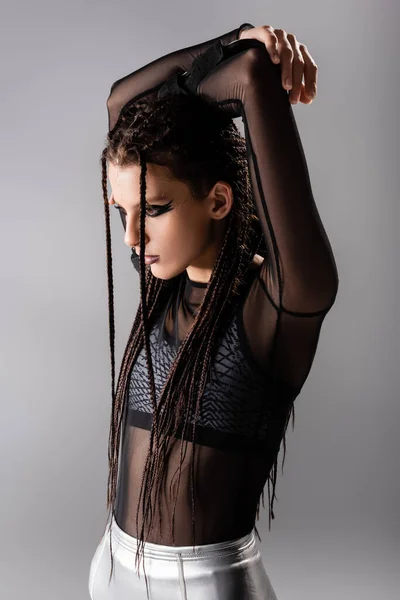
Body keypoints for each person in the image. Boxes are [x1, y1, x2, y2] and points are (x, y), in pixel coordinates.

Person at [88, 21, 339, 600]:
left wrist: (253, 52)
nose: (130, 236)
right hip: (111, 567)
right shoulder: (163, 280)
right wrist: (232, 37)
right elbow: (121, 103)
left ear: (219, 199)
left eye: (152, 208)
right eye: (119, 211)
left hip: (204, 587)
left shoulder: (280, 303)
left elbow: (250, 80)